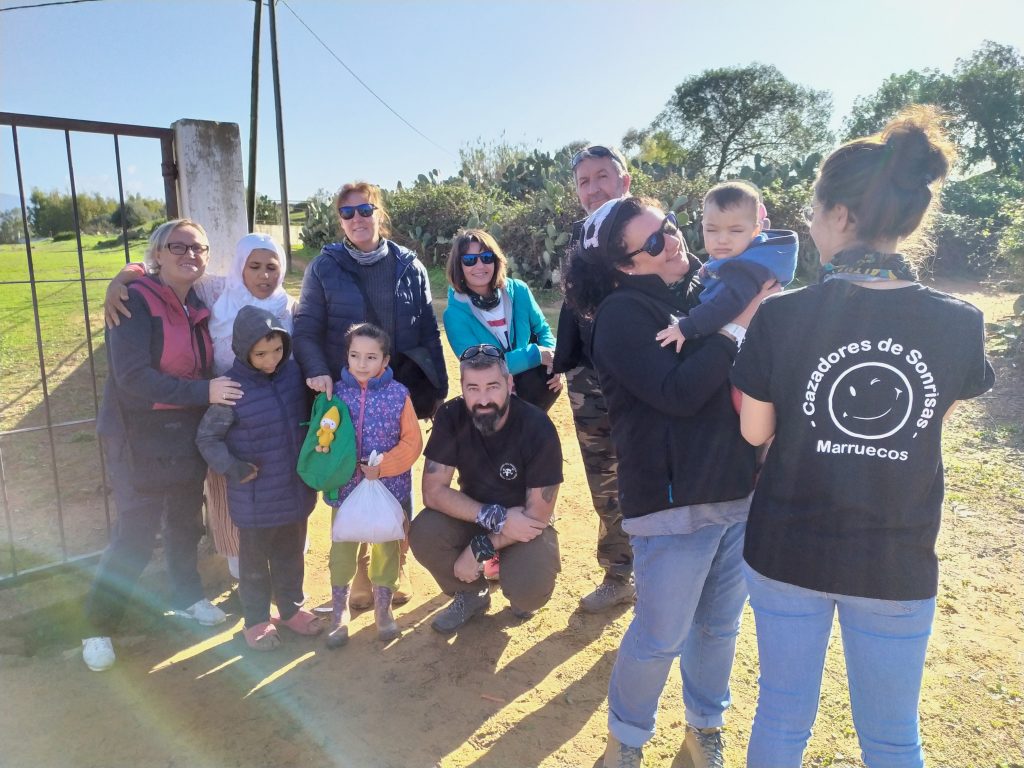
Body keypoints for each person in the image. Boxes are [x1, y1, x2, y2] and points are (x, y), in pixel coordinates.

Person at [732, 107, 995, 768]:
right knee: (893, 737)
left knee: (781, 718)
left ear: (842, 215)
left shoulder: (781, 316)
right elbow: (929, 426)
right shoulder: (959, 323)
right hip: (895, 556)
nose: (811, 225)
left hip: (787, 547)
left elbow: (755, 429)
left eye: (814, 211)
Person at [564, 196, 774, 768]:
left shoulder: (705, 291)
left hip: (736, 490)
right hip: (673, 507)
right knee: (660, 637)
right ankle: (625, 743)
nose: (674, 242)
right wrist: (735, 328)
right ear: (625, 263)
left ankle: (704, 731)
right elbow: (678, 394)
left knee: (718, 630)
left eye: (671, 227)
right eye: (655, 241)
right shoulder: (621, 316)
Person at [82, 219, 242, 672]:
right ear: (157, 253)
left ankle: (187, 597)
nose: (190, 255)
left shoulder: (199, 299)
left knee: (185, 522)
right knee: (135, 532)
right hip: (138, 432)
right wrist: (204, 392)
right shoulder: (134, 299)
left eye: (198, 248)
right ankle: (97, 626)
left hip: (184, 429)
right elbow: (132, 377)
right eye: (178, 247)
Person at [104, 232, 296, 580]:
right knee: (229, 494)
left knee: (276, 491)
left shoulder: (288, 306)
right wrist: (123, 277)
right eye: (254, 266)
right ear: (239, 267)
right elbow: (161, 273)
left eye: (272, 267)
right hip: (218, 413)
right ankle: (243, 576)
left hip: (270, 416)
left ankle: (281, 578)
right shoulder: (216, 292)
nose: (264, 275)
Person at [293, 181, 446, 609]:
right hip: (345, 397)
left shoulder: (410, 266)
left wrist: (437, 388)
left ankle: (395, 566)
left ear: (380, 213)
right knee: (349, 474)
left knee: (394, 474)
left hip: (396, 391)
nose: (357, 219)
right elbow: (305, 328)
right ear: (340, 220)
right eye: (347, 213)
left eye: (365, 210)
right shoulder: (324, 267)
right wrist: (318, 372)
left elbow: (428, 331)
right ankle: (359, 570)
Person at [409, 345, 562, 634]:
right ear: (462, 388)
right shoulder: (451, 416)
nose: (483, 399)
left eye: (492, 386)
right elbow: (433, 492)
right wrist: (497, 518)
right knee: (424, 532)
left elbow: (537, 516)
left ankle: (515, 582)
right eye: (473, 388)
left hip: (524, 524)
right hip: (476, 514)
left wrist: (478, 549)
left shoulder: (537, 426)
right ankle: (471, 594)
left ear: (509, 383)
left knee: (529, 590)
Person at [195, 306, 320, 651]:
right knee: (253, 566)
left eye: (277, 350)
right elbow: (207, 438)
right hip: (255, 498)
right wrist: (233, 467)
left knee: (291, 556)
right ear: (243, 351)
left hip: (295, 490)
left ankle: (290, 610)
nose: (271, 360)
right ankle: (256, 620)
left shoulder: (293, 375)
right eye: (261, 353)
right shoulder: (231, 390)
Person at [550, 144, 635, 615]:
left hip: (642, 377)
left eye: (602, 176)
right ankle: (619, 574)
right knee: (605, 480)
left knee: (652, 476)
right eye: (584, 181)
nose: (593, 188)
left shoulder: (650, 232)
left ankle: (661, 576)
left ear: (624, 181)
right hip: (589, 378)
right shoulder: (579, 236)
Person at [322, 323, 422, 648]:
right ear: (347, 356)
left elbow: (412, 442)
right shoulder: (336, 394)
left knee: (386, 548)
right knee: (342, 547)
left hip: (388, 487)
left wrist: (384, 467)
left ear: (385, 360)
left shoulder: (399, 395)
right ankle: (340, 612)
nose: (362, 363)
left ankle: (383, 610)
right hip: (345, 487)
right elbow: (324, 437)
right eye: (355, 355)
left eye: (371, 357)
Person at [656, 181, 797, 352]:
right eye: (712, 230)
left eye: (735, 231)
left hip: (749, 343)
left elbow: (727, 304)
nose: (722, 239)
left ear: (756, 230)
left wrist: (687, 327)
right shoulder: (741, 254)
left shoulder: (748, 269)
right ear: (703, 227)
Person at [443, 228, 562, 412]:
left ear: (496, 260)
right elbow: (480, 367)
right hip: (490, 402)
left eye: (486, 257)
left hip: (532, 396)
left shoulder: (519, 291)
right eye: (470, 260)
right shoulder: (454, 315)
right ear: (459, 266)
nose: (480, 265)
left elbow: (542, 330)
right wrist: (536, 355)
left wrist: (553, 362)